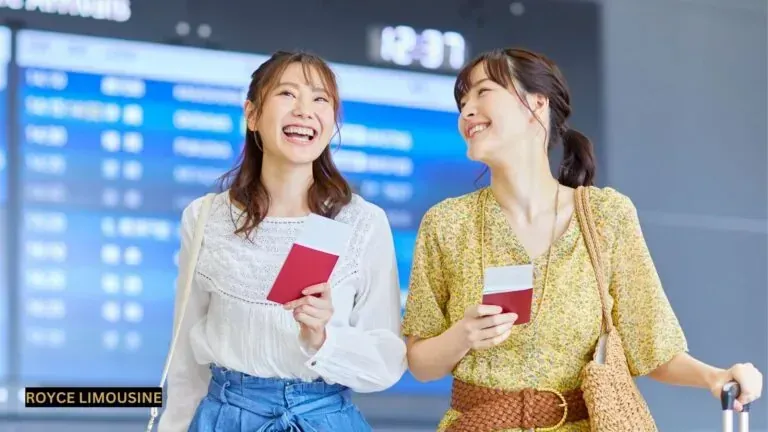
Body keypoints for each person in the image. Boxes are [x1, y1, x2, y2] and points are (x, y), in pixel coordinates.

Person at [401, 47, 763, 432]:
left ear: (535, 104)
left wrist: (715, 377)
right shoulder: (446, 223)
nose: (466, 111)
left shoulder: (607, 216)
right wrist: (462, 336)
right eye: (462, 101)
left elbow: (653, 348)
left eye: (482, 92)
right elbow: (421, 364)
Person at [157, 51, 407, 432]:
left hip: (325, 419)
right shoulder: (205, 216)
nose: (306, 110)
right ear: (252, 115)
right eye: (287, 94)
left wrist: (324, 339)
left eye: (321, 99)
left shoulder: (363, 221)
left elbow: (387, 362)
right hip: (226, 418)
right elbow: (185, 360)